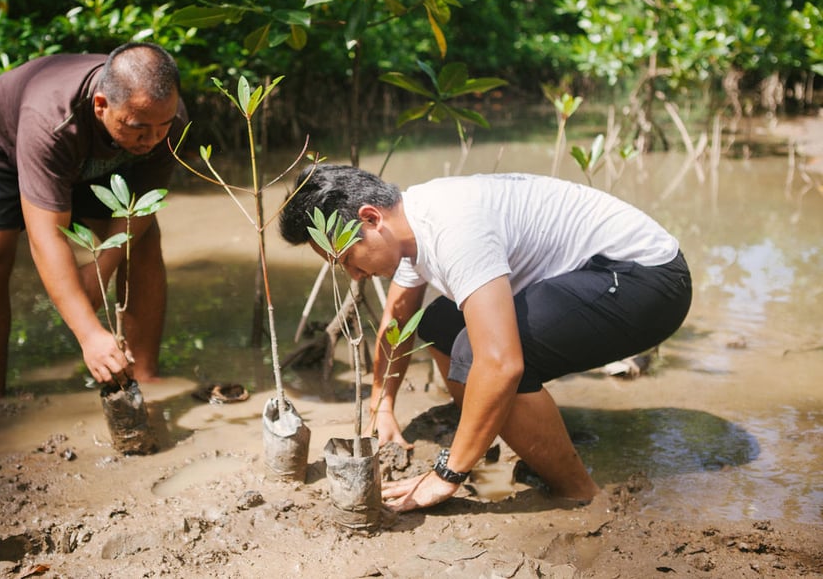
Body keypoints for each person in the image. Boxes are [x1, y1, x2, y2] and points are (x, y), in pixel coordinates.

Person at [279, 164, 692, 513]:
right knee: (439, 323)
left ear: (371, 220)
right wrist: (382, 406)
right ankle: (499, 432)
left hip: (647, 280)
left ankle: (576, 493)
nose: (354, 276)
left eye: (348, 259)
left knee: (481, 355)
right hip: (594, 273)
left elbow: (501, 362)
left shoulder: (454, 227)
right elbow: (398, 319)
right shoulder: (408, 226)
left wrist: (446, 474)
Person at [0, 42, 187, 401]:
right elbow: (45, 236)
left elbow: (141, 206)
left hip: (101, 159)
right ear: (101, 106)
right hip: (2, 145)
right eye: (140, 127)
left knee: (143, 244)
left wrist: (100, 273)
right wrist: (90, 335)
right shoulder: (50, 119)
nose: (154, 140)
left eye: (163, 127)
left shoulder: (164, 117)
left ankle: (146, 379)